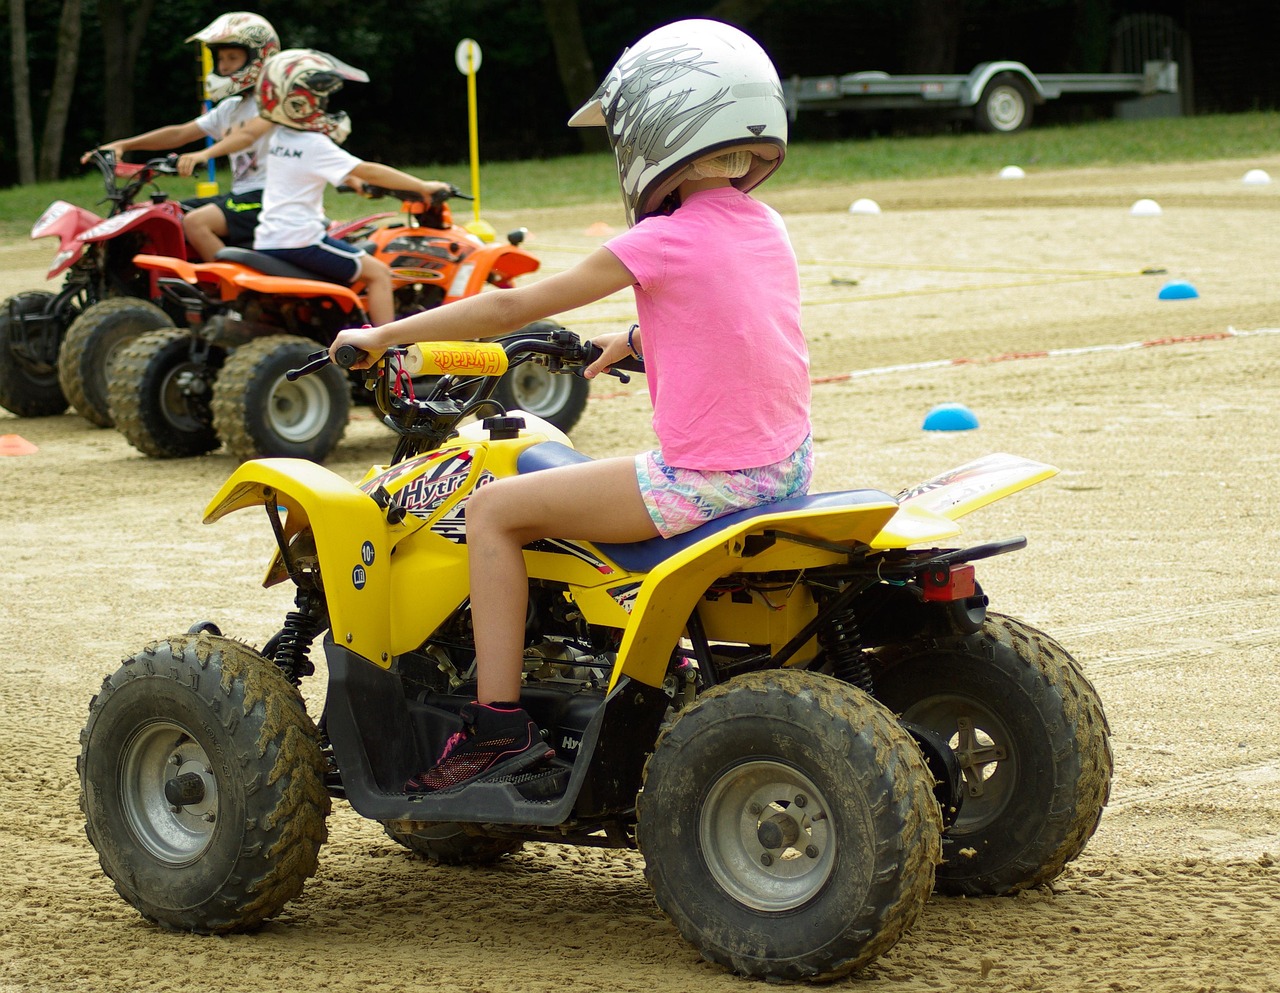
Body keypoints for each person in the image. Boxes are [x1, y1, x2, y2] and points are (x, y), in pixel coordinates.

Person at [327, 19, 813, 792]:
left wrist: (384, 334)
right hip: (781, 469)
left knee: (493, 510)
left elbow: (503, 309)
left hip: (702, 482)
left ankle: (498, 728)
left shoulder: (660, 242)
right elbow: (737, 320)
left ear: (659, 128)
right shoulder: (768, 225)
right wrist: (632, 336)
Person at [178, 49, 448, 326]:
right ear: (301, 101)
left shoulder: (279, 137)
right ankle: (387, 351)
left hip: (270, 240)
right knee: (378, 272)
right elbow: (367, 169)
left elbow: (330, 172)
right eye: (321, 98)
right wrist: (424, 186)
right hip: (303, 241)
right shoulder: (313, 143)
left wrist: (354, 183)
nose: (324, 104)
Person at [82, 12, 279, 261]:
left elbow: (247, 136)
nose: (224, 66)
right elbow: (180, 133)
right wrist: (124, 144)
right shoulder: (230, 108)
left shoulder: (273, 103)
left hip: (269, 198)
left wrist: (203, 155)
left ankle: (234, 293)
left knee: (196, 223)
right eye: (220, 58)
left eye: (232, 57)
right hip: (241, 197)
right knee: (168, 215)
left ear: (260, 58)